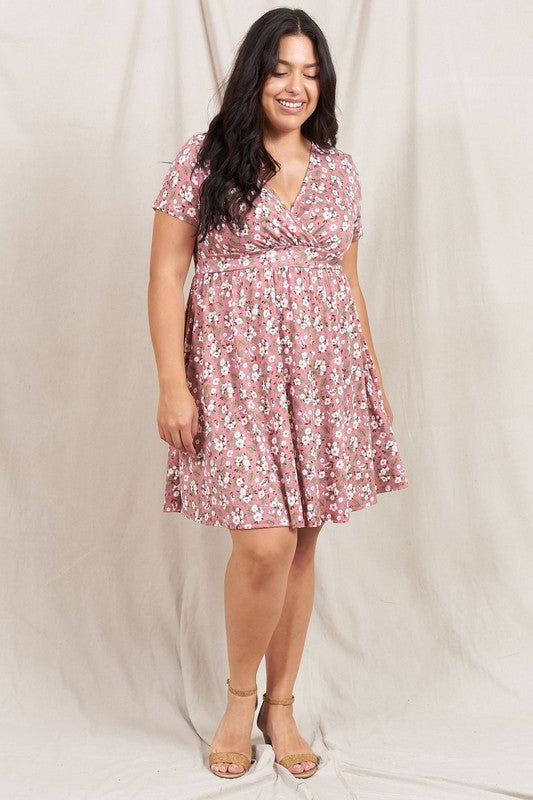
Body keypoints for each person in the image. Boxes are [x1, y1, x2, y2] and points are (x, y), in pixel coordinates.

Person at [148, 7, 409, 781]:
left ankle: (281, 704)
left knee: (299, 543)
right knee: (259, 541)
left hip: (326, 377)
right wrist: (172, 381)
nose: (295, 85)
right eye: (280, 68)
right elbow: (167, 274)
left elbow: (346, 280)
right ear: (254, 74)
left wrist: (373, 381)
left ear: (321, 82)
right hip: (231, 375)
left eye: (309, 70)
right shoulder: (204, 159)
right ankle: (238, 697)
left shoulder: (339, 170)